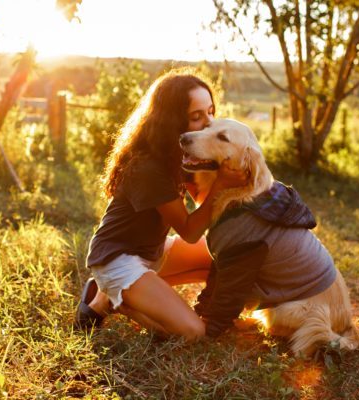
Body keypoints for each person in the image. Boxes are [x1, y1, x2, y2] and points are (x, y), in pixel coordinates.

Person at [75, 68, 248, 340]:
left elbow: (206, 207)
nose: (209, 122)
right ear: (172, 119)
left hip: (152, 253)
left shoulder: (184, 153)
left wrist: (223, 167)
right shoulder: (148, 167)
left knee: (227, 256)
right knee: (193, 333)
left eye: (211, 112)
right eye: (197, 116)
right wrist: (220, 185)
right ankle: (114, 299)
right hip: (117, 258)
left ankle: (113, 295)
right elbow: (190, 232)